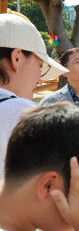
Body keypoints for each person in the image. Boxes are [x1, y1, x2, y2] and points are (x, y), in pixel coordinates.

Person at [0, 13, 67, 178]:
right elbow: (78, 180)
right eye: (39, 65)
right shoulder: (22, 112)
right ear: (17, 58)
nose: (39, 78)